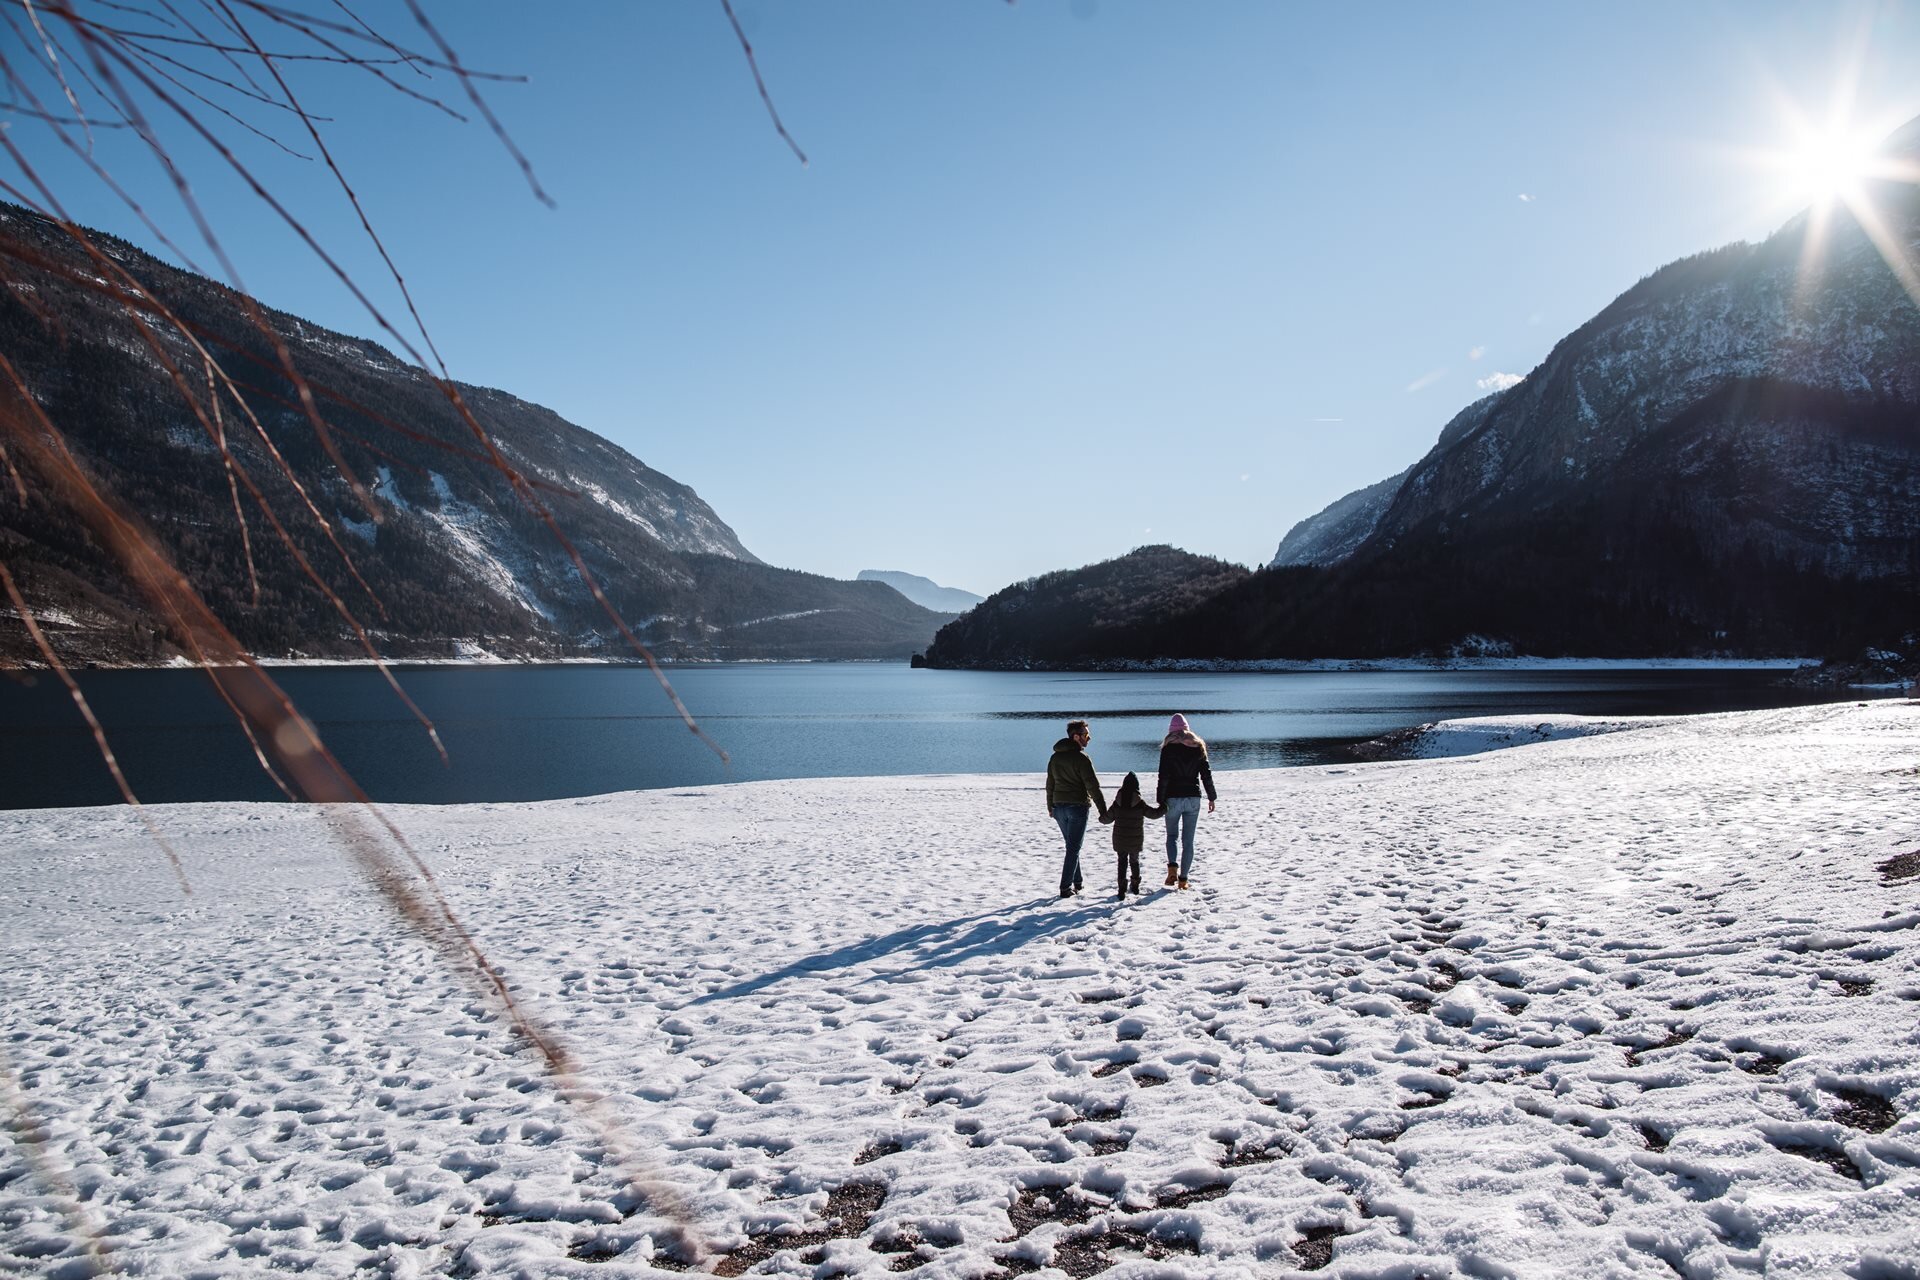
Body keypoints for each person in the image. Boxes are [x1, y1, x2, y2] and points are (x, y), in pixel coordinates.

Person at [1046, 719, 1108, 899]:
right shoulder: (1082, 758)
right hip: (1077, 807)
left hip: (1058, 808)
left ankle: (1078, 882)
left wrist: (1050, 806)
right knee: (1073, 848)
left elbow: (1050, 784)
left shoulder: (1055, 757)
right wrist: (1103, 811)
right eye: (1086, 735)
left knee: (1072, 845)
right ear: (1076, 736)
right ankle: (1065, 888)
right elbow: (1093, 787)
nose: (1089, 739)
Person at [1155, 713, 1216, 890]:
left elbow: (1163, 777)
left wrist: (1161, 800)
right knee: (1188, 840)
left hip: (1172, 798)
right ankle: (1183, 880)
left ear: (1171, 731)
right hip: (1193, 798)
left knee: (1172, 836)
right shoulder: (1198, 747)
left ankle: (1172, 867)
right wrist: (1211, 797)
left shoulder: (1167, 749)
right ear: (1187, 729)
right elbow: (1206, 775)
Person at [1100, 771, 1165, 899]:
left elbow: (1106, 820)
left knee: (1122, 862)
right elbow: (1154, 814)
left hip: (1120, 840)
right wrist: (1164, 807)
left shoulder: (1117, 803)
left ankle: (1121, 889)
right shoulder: (1139, 803)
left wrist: (1101, 815)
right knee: (1134, 861)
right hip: (1135, 840)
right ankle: (1135, 886)